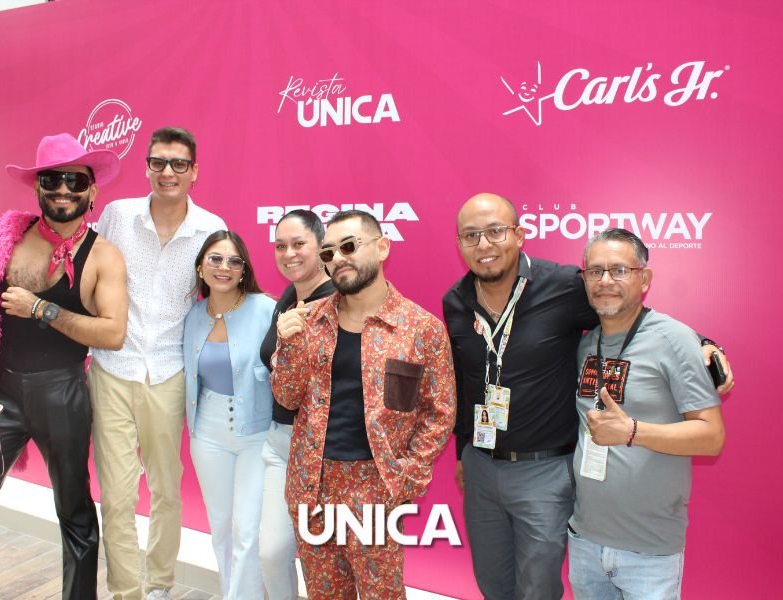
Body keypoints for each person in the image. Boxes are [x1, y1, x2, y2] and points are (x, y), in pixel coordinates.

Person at [443, 193, 733, 600]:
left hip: (543, 468)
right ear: (459, 243)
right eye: (471, 235)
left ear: (519, 235)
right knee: (491, 581)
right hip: (482, 465)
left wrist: (702, 343)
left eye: (495, 231)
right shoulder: (455, 301)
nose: (484, 244)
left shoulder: (564, 285)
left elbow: (623, 307)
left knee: (537, 588)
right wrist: (463, 451)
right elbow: (466, 378)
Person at [271, 210, 455, 600]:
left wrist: (407, 475)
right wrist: (288, 347)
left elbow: (439, 412)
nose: (338, 258)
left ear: (382, 247)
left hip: (377, 487)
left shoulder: (420, 328)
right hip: (312, 485)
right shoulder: (310, 321)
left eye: (350, 246)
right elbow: (286, 397)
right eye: (328, 253)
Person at [0, 132, 127, 600]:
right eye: (51, 179)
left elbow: (113, 332)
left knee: (75, 513)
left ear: (91, 190)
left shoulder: (103, 255)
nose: (63, 189)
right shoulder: (4, 240)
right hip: (0, 395)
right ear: (37, 187)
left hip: (62, 396)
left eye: (74, 180)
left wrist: (42, 309)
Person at [88, 127, 226, 600]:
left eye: (178, 164)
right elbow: (87, 275)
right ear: (146, 166)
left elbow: (222, 295)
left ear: (194, 171)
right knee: (117, 495)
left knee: (166, 489)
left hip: (169, 372)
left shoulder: (210, 227)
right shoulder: (117, 215)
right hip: (112, 367)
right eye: (158, 162)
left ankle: (160, 585)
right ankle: (126, 591)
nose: (168, 172)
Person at [567, 228, 725, 599]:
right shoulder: (586, 345)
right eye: (595, 271)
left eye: (619, 270)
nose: (606, 281)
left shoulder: (675, 339)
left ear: (644, 279)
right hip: (585, 540)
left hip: (649, 551)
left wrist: (632, 431)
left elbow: (712, 436)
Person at [183, 230, 275, 599]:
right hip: (208, 433)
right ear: (200, 267)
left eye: (234, 261)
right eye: (216, 259)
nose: (224, 267)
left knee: (247, 531)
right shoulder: (192, 316)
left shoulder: (266, 309)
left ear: (244, 270)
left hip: (256, 434)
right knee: (221, 528)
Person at [258, 209, 334, 600]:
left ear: (321, 246)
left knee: (324, 563)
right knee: (271, 553)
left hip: (322, 450)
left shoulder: (338, 303)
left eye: (299, 244)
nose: (289, 254)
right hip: (277, 444)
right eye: (280, 246)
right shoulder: (289, 297)